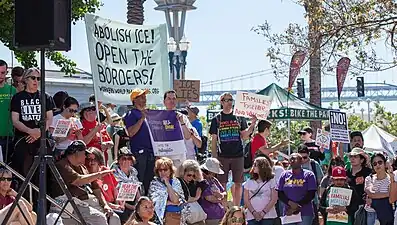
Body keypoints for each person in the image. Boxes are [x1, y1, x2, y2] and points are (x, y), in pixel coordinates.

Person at [10, 67, 54, 206]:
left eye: (38, 78)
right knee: (23, 175)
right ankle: (24, 206)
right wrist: (30, 131)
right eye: (33, 78)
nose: (36, 81)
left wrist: (39, 133)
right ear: (26, 79)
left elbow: (49, 118)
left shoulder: (45, 97)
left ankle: (40, 209)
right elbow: (15, 120)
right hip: (23, 141)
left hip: (40, 142)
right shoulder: (18, 97)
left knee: (41, 177)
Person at [52, 140, 121, 225]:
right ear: (77, 153)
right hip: (72, 202)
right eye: (84, 154)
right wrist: (99, 174)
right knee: (99, 218)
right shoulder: (62, 165)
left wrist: (105, 204)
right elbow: (78, 180)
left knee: (114, 218)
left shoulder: (82, 167)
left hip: (90, 201)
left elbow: (95, 188)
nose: (85, 157)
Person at [209, 92, 256, 206]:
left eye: (231, 100)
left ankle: (236, 207)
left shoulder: (239, 118)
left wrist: (253, 124)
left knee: (238, 183)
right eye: (226, 100)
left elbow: (244, 136)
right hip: (222, 156)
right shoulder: (217, 119)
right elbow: (214, 140)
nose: (229, 102)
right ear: (221, 102)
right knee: (222, 184)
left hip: (238, 155)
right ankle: (224, 208)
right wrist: (214, 157)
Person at [124, 88, 155, 195]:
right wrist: (141, 119)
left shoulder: (147, 114)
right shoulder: (131, 114)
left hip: (151, 153)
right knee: (139, 181)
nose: (144, 99)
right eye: (141, 97)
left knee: (149, 182)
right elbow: (130, 133)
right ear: (134, 100)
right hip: (139, 153)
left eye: (145, 97)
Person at [163, 90, 202, 167]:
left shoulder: (183, 117)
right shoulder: (159, 117)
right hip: (167, 160)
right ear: (164, 102)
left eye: (174, 99)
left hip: (183, 159)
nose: (171, 101)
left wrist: (182, 123)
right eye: (169, 99)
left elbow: (188, 136)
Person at [277, 153, 317, 225]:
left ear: (301, 161)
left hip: (305, 213)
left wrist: (297, 206)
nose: (292, 160)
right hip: (288, 212)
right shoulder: (284, 175)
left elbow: (311, 194)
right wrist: (290, 203)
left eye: (295, 158)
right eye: (291, 159)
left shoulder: (309, 175)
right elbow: (280, 193)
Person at [148, 157, 187, 225]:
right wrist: (171, 203)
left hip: (177, 216)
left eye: (165, 170)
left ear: (170, 170)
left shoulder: (176, 182)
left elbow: (176, 200)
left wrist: (168, 184)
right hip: (162, 217)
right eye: (160, 170)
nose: (163, 172)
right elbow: (155, 203)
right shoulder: (154, 183)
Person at [244, 157, 278, 225]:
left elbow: (274, 199)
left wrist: (263, 213)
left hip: (268, 216)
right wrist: (254, 213)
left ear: (262, 166)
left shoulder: (271, 181)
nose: (253, 167)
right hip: (251, 216)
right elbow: (246, 200)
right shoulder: (249, 181)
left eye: (255, 165)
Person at [364, 152, 394, 225]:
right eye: (374, 164)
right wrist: (388, 194)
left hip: (386, 215)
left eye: (380, 162)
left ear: (385, 163)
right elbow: (371, 193)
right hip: (371, 214)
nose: (377, 165)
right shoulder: (369, 178)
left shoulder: (391, 178)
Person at [199, 158, 227, 225]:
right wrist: (221, 199)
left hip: (220, 214)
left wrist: (220, 195)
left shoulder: (214, 180)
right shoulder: (202, 181)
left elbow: (225, 193)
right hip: (210, 216)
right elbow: (209, 198)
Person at [0, 60, 16, 163]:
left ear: (6, 72)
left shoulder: (12, 90)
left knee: (5, 172)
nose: (0, 75)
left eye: (2, 72)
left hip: (8, 138)